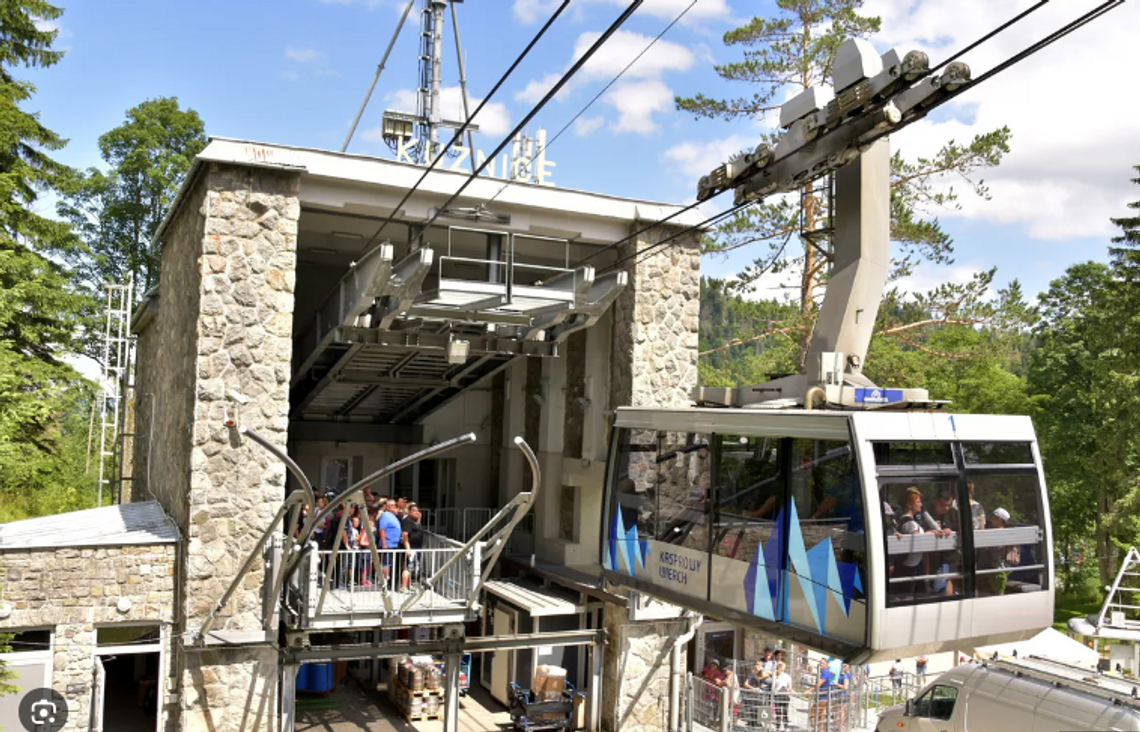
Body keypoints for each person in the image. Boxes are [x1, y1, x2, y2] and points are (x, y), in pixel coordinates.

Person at [893, 487, 926, 599]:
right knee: (907, 595)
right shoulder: (911, 524)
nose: (921, 504)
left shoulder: (902, 520)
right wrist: (930, 533)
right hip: (910, 566)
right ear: (909, 505)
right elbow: (918, 542)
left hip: (911, 564)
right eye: (918, 502)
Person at [378, 498, 403, 585]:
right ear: (387, 507)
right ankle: (384, 581)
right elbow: (382, 530)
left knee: (390, 563)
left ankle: (388, 580)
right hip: (388, 544)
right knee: (386, 563)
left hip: (394, 544)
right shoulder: (385, 515)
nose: (394, 507)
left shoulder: (394, 515)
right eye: (391, 505)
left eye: (395, 505)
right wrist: (384, 543)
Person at [401, 502, 424, 590]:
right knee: (408, 567)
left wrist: (419, 519)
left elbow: (418, 528)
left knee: (413, 567)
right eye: (414, 511)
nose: (416, 512)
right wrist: (408, 548)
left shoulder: (414, 521)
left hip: (417, 548)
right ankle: (403, 587)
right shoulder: (407, 521)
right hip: (411, 547)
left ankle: (409, 585)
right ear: (409, 512)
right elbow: (405, 535)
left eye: (417, 511)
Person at [810, 657, 834, 732]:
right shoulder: (824, 672)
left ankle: (814, 729)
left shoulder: (825, 672)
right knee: (822, 715)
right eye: (820, 662)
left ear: (827, 665)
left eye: (823, 663)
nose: (821, 664)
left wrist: (809, 690)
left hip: (823, 697)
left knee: (812, 713)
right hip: (824, 697)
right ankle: (821, 730)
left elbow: (820, 683)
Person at [772, 661, 792, 731]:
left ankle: (780, 727)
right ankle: (782, 727)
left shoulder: (783, 676)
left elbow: (773, 687)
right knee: (783, 712)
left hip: (780, 695)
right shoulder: (777, 675)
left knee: (781, 712)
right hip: (783, 696)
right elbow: (789, 687)